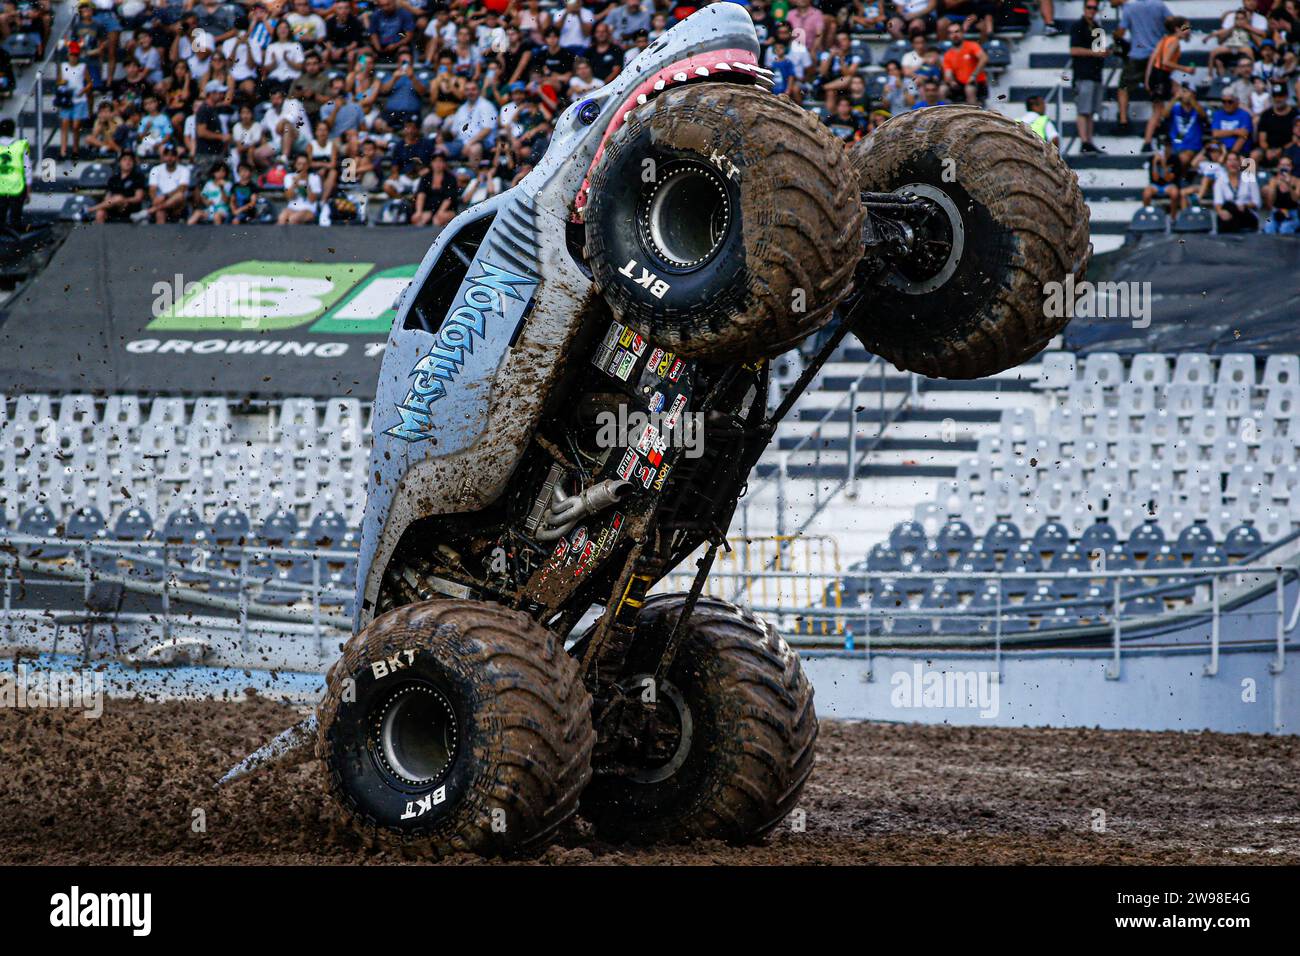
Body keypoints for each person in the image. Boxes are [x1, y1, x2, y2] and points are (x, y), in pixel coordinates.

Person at [1114, 0, 1173, 135]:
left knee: (1123, 87)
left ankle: (1123, 121)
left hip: (1138, 55)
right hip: (1157, 55)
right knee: (1155, 90)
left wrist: (1115, 35)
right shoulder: (1159, 5)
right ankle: (1158, 123)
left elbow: (1121, 32)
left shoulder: (1130, 8)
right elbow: (1174, 22)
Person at [1142, 16, 1193, 152]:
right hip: (1161, 75)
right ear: (1177, 29)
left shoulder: (1164, 39)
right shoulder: (1175, 41)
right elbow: (1165, 62)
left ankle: (1162, 130)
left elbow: (1153, 58)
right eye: (1186, 28)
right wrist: (1185, 69)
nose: (1188, 31)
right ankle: (1147, 142)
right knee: (1158, 111)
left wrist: (1147, 79)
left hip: (1156, 75)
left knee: (1173, 96)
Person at [1069, 0, 1107, 152]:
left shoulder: (1097, 27)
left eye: (1094, 8)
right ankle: (1084, 141)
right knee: (1083, 110)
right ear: (1084, 8)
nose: (1092, 10)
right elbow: (1073, 50)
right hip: (1083, 73)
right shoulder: (1078, 26)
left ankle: (1088, 142)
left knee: (1090, 111)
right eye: (1089, 7)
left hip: (1095, 73)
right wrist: (1095, 53)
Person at [58, 40, 93, 161]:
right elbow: (59, 82)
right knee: (64, 124)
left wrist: (82, 91)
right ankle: (63, 151)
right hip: (67, 99)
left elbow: (89, 83)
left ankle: (75, 150)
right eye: (72, 55)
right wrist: (63, 84)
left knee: (76, 125)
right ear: (68, 55)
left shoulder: (82, 67)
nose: (74, 57)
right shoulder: (63, 66)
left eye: (76, 55)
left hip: (79, 99)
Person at [940, 20, 987, 104]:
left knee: (969, 89)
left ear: (962, 33)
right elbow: (948, 73)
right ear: (948, 36)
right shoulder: (948, 54)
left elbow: (984, 58)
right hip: (959, 84)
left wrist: (974, 75)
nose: (954, 35)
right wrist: (951, 81)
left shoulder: (972, 45)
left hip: (976, 82)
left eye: (957, 32)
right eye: (951, 33)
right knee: (942, 89)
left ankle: (973, 115)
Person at [1213, 150, 1261, 231]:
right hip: (1229, 214)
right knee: (1227, 208)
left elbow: (1257, 202)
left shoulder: (1249, 178)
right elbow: (1218, 203)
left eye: (1235, 160)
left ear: (1239, 163)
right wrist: (1221, 212)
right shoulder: (1220, 180)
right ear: (1225, 164)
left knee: (1229, 207)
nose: (1232, 163)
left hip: (1246, 213)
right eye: (1229, 160)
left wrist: (1245, 206)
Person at [1254, 83, 1299, 168]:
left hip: (1288, 149)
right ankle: (1252, 181)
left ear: (1286, 96)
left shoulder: (1294, 114)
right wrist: (1268, 150)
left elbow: (1295, 138)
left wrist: (1281, 150)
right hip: (1268, 149)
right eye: (1275, 96)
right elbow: (1262, 139)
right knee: (1255, 155)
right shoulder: (1266, 114)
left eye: (1280, 96)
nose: (1278, 99)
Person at [145, 144, 191, 222]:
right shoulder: (155, 169)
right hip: (160, 202)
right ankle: (160, 234)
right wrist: (155, 200)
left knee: (179, 196)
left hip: (178, 204)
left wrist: (165, 197)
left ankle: (149, 211)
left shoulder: (184, 170)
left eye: (172, 155)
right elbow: (152, 189)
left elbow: (182, 189)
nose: (169, 158)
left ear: (176, 157)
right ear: (163, 157)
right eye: (167, 155)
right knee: (160, 212)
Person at [0, 117, 31, 231]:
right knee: (15, 219)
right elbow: (27, 169)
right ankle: (16, 240)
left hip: (1, 188)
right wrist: (28, 190)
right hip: (17, 187)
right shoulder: (20, 145)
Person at [1141, 136, 1184, 218]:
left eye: (1167, 146)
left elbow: (1169, 178)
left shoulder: (1175, 159)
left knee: (1175, 193)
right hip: (1156, 185)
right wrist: (1154, 163)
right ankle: (1146, 215)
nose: (1165, 149)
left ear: (1170, 147)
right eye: (1163, 146)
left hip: (1169, 185)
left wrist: (1164, 164)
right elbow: (1155, 179)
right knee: (1146, 193)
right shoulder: (1152, 159)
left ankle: (1173, 217)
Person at [279, 153, 322, 223]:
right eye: (299, 164)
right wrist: (294, 184)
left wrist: (307, 183)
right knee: (282, 218)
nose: (302, 166)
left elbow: (312, 200)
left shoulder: (314, 178)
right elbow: (288, 197)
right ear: (295, 165)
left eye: (304, 164)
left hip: (309, 209)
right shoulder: (289, 177)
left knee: (293, 219)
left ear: (308, 165)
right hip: (292, 207)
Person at [1262, 156, 1300, 233]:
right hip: (1274, 213)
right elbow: (1270, 203)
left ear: (1291, 167)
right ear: (1278, 167)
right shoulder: (1273, 180)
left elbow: (1295, 199)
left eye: (1287, 165)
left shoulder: (1297, 181)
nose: (1284, 167)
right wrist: (1273, 188)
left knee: (1285, 228)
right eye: (1282, 165)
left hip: (1292, 214)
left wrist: (1289, 185)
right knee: (1268, 226)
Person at [1210, 91, 1255, 156]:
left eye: (1230, 102)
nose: (1226, 104)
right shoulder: (1218, 114)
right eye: (1224, 101)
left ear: (1237, 102)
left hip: (1239, 152)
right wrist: (1235, 131)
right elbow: (1215, 133)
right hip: (1220, 149)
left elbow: (1243, 134)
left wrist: (1231, 154)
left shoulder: (1245, 115)